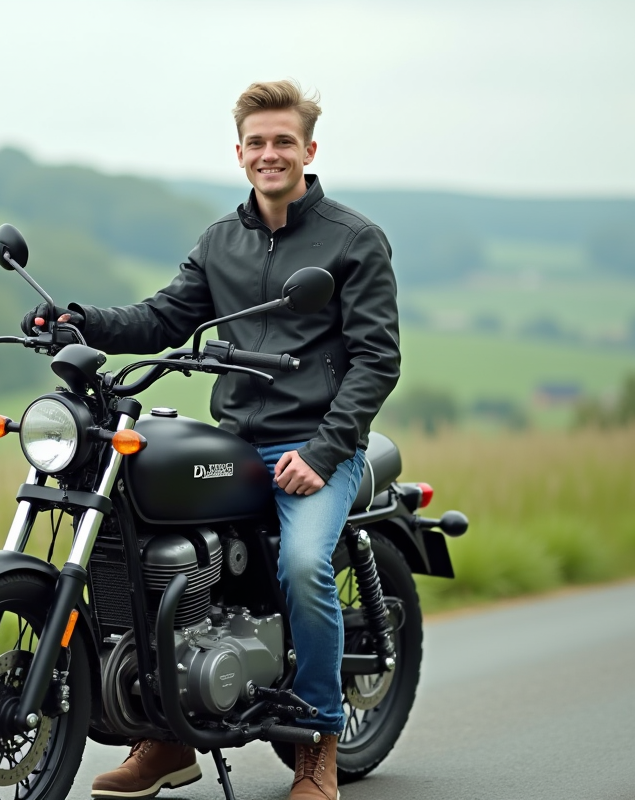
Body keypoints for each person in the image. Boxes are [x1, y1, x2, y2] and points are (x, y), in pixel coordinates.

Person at [21, 79, 400, 800]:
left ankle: (319, 740)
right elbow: (163, 318)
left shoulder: (354, 241)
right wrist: (77, 321)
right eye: (257, 142)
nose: (269, 153)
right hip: (235, 442)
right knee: (141, 548)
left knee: (302, 564)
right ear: (239, 153)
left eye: (283, 140)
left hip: (318, 446)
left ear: (309, 150)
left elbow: (378, 360)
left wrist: (322, 454)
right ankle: (165, 734)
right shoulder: (221, 241)